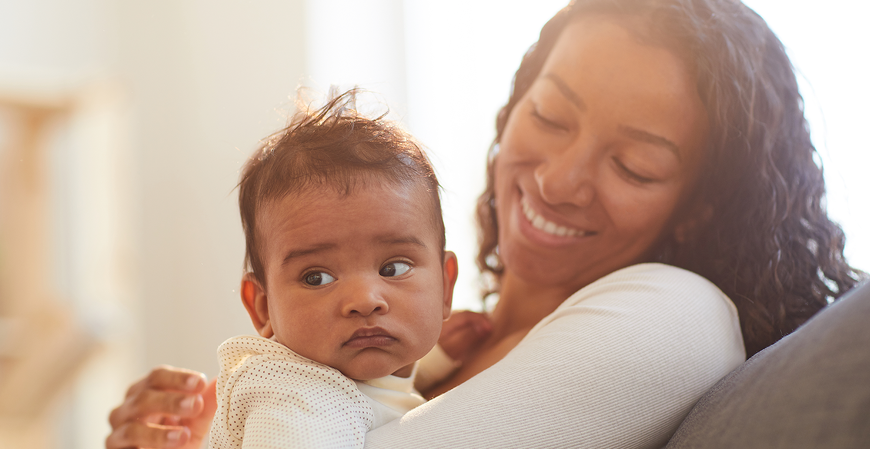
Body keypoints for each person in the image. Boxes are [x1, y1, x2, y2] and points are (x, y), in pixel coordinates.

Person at [106, 0, 864, 448]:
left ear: (700, 203)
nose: (559, 179)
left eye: (632, 164)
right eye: (550, 114)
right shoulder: (413, 349)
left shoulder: (678, 315)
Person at [206, 89, 484, 448]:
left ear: (445, 287)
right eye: (316, 277)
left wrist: (433, 362)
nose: (365, 300)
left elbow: (375, 393)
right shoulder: (297, 398)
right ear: (262, 306)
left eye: (394, 268)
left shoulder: (334, 383)